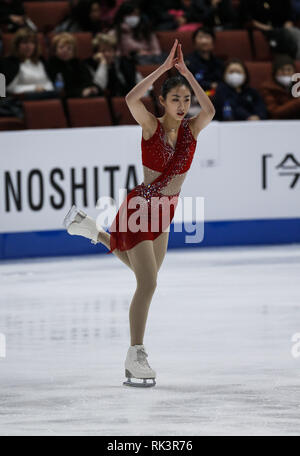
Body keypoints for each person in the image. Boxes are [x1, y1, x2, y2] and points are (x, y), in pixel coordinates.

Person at [63, 39, 215, 387]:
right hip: (140, 209)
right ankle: (135, 354)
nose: (183, 104)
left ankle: (94, 231)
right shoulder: (152, 127)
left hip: (166, 211)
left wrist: (188, 74)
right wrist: (163, 70)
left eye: (186, 98)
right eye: (175, 98)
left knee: (143, 274)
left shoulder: (192, 130)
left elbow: (210, 112)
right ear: (162, 100)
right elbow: (131, 99)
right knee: (147, 282)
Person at [0, 27, 58, 100]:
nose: (29, 46)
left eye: (32, 43)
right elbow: (6, 89)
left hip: (48, 96)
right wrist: (33, 88)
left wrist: (44, 89)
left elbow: (50, 82)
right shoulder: (8, 62)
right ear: (17, 45)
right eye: (25, 42)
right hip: (21, 100)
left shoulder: (41, 60)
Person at [48, 32, 102, 98]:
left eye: (69, 48)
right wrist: (81, 92)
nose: (65, 51)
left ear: (74, 51)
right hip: (66, 98)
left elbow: (88, 81)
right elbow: (61, 89)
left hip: (85, 95)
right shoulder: (51, 64)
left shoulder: (78, 63)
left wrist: (94, 88)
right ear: (55, 50)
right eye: (61, 47)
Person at [113, 0, 164, 65]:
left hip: (146, 61)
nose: (134, 17)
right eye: (130, 14)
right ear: (123, 15)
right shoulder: (116, 32)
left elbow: (157, 51)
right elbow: (115, 54)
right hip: (125, 65)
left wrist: (145, 54)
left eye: (136, 14)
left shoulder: (146, 29)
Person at [260, 54, 300, 119]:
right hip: (278, 124)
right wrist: (297, 102)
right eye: (282, 70)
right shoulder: (267, 88)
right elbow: (274, 113)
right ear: (275, 72)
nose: (285, 73)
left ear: (294, 71)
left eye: (289, 70)